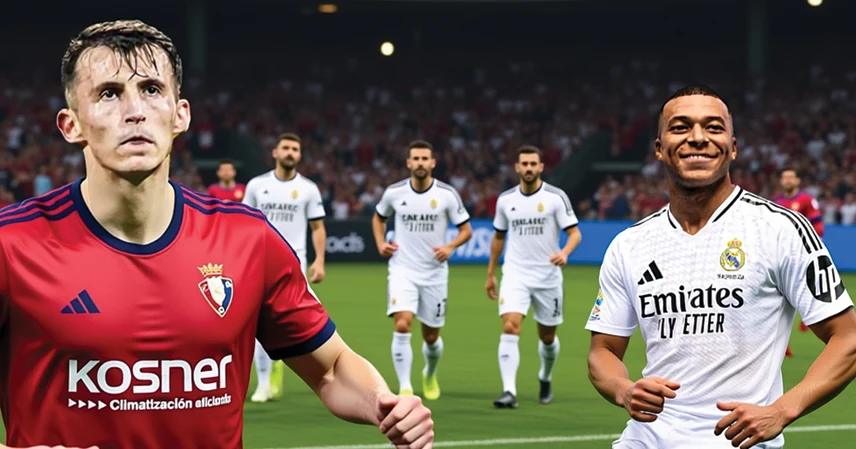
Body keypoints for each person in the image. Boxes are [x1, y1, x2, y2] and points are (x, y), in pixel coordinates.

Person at [0, 19, 434, 449]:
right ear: (71, 124)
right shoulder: (11, 245)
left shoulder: (248, 239)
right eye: (108, 93)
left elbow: (331, 367)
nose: (134, 111)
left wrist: (383, 404)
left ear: (180, 114)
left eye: (151, 89)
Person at [585, 85, 856, 449]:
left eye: (713, 127)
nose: (698, 137)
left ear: (733, 146)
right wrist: (624, 389)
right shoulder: (629, 245)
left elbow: (848, 338)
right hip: (644, 439)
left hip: (737, 442)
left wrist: (781, 410)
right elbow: (602, 351)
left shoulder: (779, 229)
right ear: (659, 148)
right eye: (681, 127)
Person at [372, 140, 473, 399]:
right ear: (408, 162)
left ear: (432, 163)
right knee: (402, 324)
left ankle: (430, 373)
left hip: (434, 274)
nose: (420, 163)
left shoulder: (447, 195)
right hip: (402, 270)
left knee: (431, 336)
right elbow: (378, 217)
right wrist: (380, 243)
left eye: (424, 158)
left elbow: (466, 230)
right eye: (415, 158)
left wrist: (450, 247)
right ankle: (405, 387)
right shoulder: (395, 193)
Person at [485, 145, 582, 409]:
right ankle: (509, 391)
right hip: (515, 274)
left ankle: (545, 377)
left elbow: (575, 233)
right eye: (524, 164)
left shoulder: (555, 198)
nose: (528, 168)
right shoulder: (506, 200)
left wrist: (564, 253)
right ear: (517, 168)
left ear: (541, 167)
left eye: (533, 164)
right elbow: (498, 237)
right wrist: (491, 273)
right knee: (510, 326)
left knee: (548, 337)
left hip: (548, 277)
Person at [242, 132, 328, 403]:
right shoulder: (257, 185)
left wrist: (320, 260)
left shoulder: (308, 189)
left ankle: (286, 364)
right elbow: (244, 223)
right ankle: (263, 384)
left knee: (302, 321)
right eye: (286, 148)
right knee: (258, 322)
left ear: (299, 156)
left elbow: (318, 227)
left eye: (295, 149)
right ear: (275, 152)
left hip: (295, 265)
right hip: (260, 261)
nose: (290, 152)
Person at [774, 168, 825, 339]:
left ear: (798, 180)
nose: (787, 180)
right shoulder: (776, 202)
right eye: (784, 177)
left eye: (791, 177)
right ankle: (782, 341)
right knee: (779, 294)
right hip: (782, 254)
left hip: (803, 253)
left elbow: (818, 227)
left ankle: (809, 320)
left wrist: (810, 249)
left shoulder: (807, 200)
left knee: (806, 287)